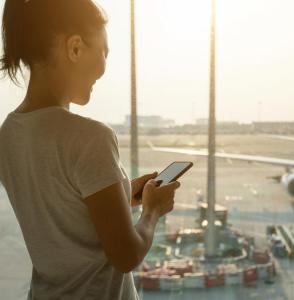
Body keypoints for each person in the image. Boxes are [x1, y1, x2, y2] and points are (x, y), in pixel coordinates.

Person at [0, 0, 180, 299]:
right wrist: (152, 210)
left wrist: (122, 193)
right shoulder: (89, 138)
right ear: (75, 48)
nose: (104, 67)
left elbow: (61, 209)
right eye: (104, 52)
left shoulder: (7, 135)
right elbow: (126, 255)